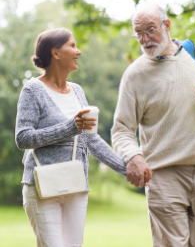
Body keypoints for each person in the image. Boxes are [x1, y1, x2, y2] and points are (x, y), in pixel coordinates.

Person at [15, 28, 147, 247]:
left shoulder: (77, 91)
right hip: (41, 187)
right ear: (55, 53)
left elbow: (91, 140)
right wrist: (70, 127)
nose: (79, 51)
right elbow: (23, 138)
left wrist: (127, 168)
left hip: (75, 185)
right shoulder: (32, 89)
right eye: (73, 46)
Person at [111, 4, 195, 247]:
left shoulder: (193, 52)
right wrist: (133, 156)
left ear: (166, 25)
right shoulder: (135, 75)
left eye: (150, 30)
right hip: (164, 175)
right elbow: (122, 129)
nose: (144, 39)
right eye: (138, 33)